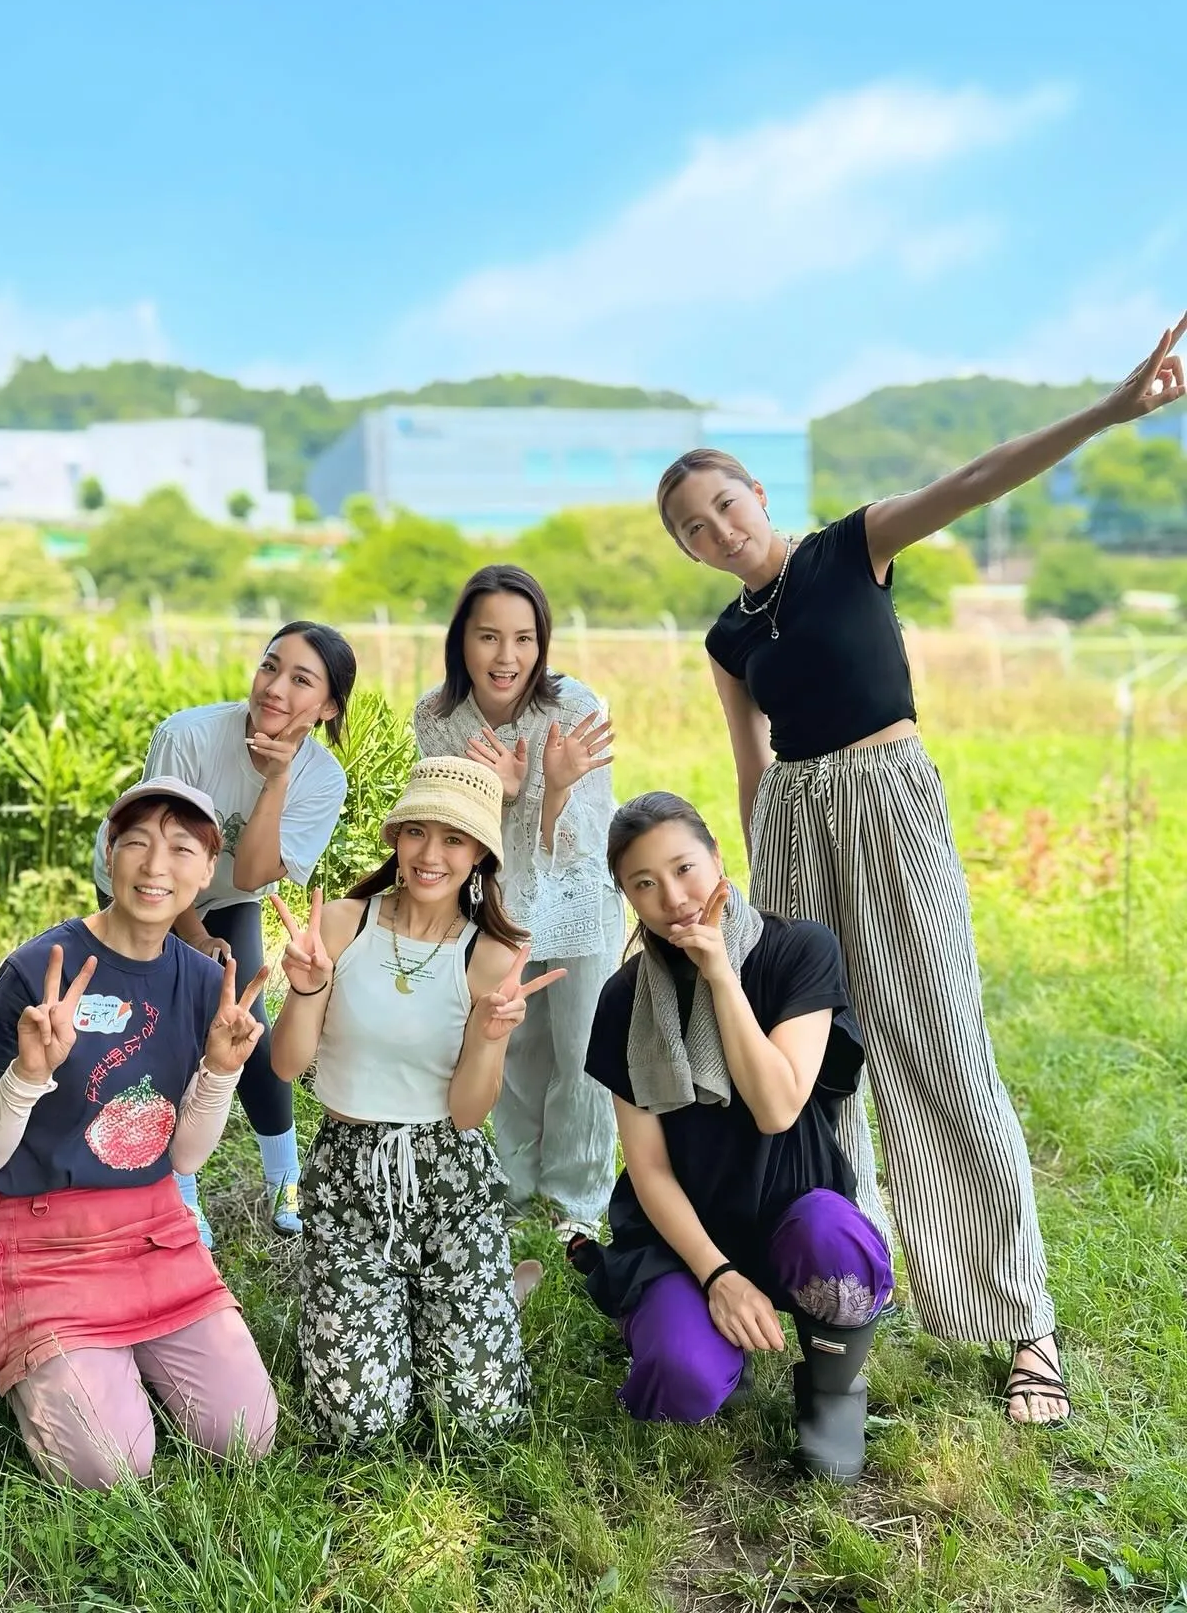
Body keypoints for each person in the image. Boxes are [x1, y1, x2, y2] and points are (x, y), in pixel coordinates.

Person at [656, 314, 1186, 1425]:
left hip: (889, 806)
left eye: (726, 505)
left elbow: (980, 475)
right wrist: (756, 906)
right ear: (689, 550)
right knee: (817, 1069)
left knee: (944, 1046)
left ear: (758, 493)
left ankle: (1023, 1318)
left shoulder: (852, 547)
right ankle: (843, 1290)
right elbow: (752, 766)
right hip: (793, 829)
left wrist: (1111, 409)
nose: (718, 530)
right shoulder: (725, 639)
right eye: (694, 529)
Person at [0, 777, 279, 1488]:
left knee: (245, 1433)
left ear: (207, 871)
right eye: (137, 842)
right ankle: (28, 1349)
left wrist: (220, 1071)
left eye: (182, 849)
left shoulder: (203, 983)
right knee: (110, 1465)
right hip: (35, 1234)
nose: (156, 866)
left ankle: (93, 1360)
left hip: (150, 1229)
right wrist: (28, 1074)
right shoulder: (39, 970)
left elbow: (184, 1156)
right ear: (109, 852)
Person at [571, 792, 893, 1483]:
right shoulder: (624, 1000)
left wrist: (721, 974)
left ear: (717, 858)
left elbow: (777, 1107)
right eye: (644, 884)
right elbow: (649, 1169)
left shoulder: (798, 950)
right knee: (681, 1380)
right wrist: (717, 1274)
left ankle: (833, 1388)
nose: (673, 898)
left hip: (793, 1213)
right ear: (627, 897)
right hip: (685, 1235)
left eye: (684, 868)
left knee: (838, 1250)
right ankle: (701, 1332)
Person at [271, 755, 562, 1439]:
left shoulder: (490, 957)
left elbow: (468, 1114)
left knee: (479, 1421)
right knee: (359, 1424)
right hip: (348, 1176)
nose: (431, 856)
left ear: (479, 854)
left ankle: (486, 1292)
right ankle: (406, 1309)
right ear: (396, 838)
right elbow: (287, 1065)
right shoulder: (342, 925)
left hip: (450, 1177)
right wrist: (307, 987)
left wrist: (488, 1036)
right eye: (417, 833)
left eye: (454, 839)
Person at [92, 619, 357, 1243]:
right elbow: (158, 859)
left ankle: (285, 1180)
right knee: (159, 1026)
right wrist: (191, 934)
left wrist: (278, 779)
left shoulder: (322, 779)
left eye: (301, 680)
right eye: (270, 667)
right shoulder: (187, 737)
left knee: (245, 1025)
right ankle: (177, 1189)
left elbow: (253, 873)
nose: (275, 688)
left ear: (328, 707)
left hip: (230, 893)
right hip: (140, 885)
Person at [413, 565, 620, 1241]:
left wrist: (552, 788)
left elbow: (586, 839)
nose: (507, 657)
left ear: (542, 642)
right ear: (461, 640)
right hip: (498, 901)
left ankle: (576, 1201)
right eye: (489, 637)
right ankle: (514, 1184)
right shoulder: (439, 718)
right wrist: (497, 798)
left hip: (577, 899)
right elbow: (447, 832)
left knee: (582, 1051)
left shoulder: (574, 707)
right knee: (511, 1039)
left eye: (524, 639)